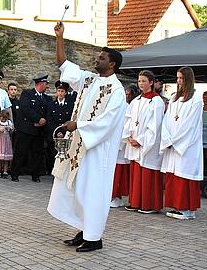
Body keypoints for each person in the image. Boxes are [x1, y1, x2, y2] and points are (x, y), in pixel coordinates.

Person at [48, 22, 127, 253]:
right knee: (77, 188)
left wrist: (78, 125)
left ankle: (95, 238)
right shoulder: (89, 80)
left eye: (101, 58)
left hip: (96, 151)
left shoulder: (117, 91)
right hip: (79, 147)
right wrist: (60, 37)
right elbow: (64, 65)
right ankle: (84, 230)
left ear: (112, 64)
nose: (96, 59)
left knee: (92, 191)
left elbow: (108, 122)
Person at [160, 67, 203, 220]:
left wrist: (175, 141)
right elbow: (166, 120)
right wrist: (167, 139)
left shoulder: (196, 99)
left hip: (186, 145)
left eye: (182, 78)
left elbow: (190, 125)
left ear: (188, 80)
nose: (179, 81)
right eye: (177, 78)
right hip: (172, 143)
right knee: (174, 174)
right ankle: (177, 206)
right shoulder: (174, 98)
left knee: (184, 175)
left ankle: (187, 208)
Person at [124, 70, 165, 214]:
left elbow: (155, 125)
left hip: (148, 143)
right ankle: (135, 201)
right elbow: (128, 119)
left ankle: (149, 204)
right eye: (139, 81)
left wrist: (141, 140)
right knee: (136, 173)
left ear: (151, 82)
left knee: (148, 174)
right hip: (134, 142)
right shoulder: (136, 101)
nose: (140, 84)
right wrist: (128, 136)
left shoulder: (157, 101)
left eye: (143, 81)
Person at [12, 73, 50, 182]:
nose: (47, 86)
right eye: (45, 84)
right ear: (40, 84)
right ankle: (15, 173)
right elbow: (25, 108)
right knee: (20, 152)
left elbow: (48, 112)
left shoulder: (46, 98)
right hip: (26, 129)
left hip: (39, 131)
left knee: (37, 154)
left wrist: (43, 121)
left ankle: (35, 174)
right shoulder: (27, 93)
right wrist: (38, 119)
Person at [111, 85, 139, 208]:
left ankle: (117, 196)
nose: (127, 97)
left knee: (120, 173)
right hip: (113, 143)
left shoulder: (131, 107)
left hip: (122, 145)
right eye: (125, 94)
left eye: (129, 95)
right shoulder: (117, 107)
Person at [46, 81, 73, 175]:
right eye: (58, 91)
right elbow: (50, 120)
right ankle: (53, 171)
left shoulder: (70, 105)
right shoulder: (51, 104)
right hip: (54, 133)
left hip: (65, 132)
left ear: (65, 92)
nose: (60, 93)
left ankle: (63, 172)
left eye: (62, 91)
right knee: (53, 153)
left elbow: (70, 119)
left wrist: (63, 131)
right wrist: (57, 132)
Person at [0, 110, 14, 179]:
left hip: (6, 141)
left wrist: (9, 128)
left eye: (6, 118)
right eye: (3, 118)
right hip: (0, 140)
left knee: (6, 157)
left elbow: (12, 129)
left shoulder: (9, 122)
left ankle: (5, 171)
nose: (4, 119)